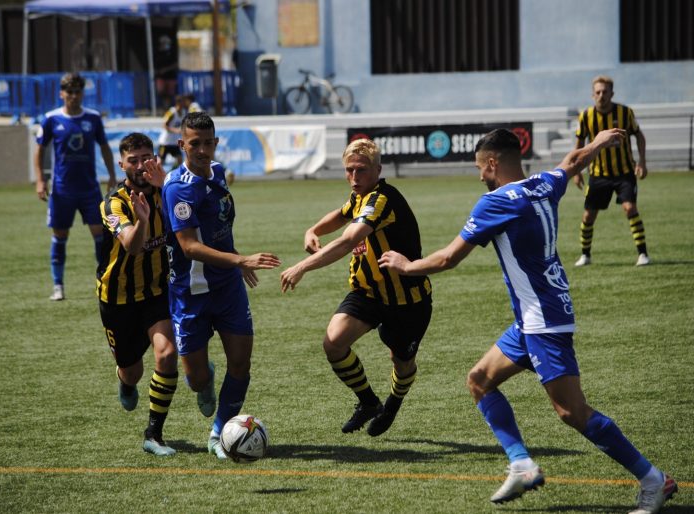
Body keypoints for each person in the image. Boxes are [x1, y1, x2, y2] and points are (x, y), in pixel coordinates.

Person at [378, 128, 677, 513]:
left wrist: (407, 266)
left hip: (543, 321)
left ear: (491, 163)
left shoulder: (495, 202)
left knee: (573, 413)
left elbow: (450, 258)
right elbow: (572, 163)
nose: (480, 177)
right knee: (480, 380)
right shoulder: (542, 184)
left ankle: (654, 480)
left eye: (480, 168)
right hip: (538, 315)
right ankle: (521, 464)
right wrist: (599, 142)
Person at [147, 111, 280, 460]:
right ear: (181, 145)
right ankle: (204, 382)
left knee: (241, 365)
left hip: (227, 290)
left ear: (216, 142)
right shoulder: (177, 187)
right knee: (198, 379)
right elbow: (189, 246)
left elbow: (217, 224)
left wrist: (233, 258)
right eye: (195, 144)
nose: (203, 150)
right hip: (190, 295)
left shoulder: (218, 172)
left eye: (209, 143)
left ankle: (220, 432)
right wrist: (241, 260)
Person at [281, 138, 432, 437]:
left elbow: (349, 240)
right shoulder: (360, 196)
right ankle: (368, 402)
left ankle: (392, 403)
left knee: (402, 364)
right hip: (368, 293)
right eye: (349, 170)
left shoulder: (381, 199)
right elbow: (341, 214)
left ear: (378, 169)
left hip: (407, 300)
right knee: (333, 342)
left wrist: (301, 266)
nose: (354, 177)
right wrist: (313, 229)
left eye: (361, 170)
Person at [97, 133, 178, 457]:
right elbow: (131, 244)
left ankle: (154, 434)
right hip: (117, 298)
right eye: (133, 160)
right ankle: (126, 381)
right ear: (122, 164)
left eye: (147, 158)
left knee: (167, 353)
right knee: (132, 371)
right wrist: (143, 221)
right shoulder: (113, 203)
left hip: (157, 291)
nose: (141, 165)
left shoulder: (168, 191)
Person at [35, 72, 117, 301]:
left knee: (101, 235)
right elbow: (40, 150)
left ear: (82, 93)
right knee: (60, 234)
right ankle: (58, 286)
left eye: (77, 91)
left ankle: (105, 281)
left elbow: (104, 147)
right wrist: (41, 179)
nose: (73, 96)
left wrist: (111, 175)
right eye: (69, 92)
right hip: (62, 190)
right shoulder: (51, 119)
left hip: (90, 189)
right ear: (62, 94)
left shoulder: (92, 118)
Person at [573, 75, 650, 267]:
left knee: (629, 208)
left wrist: (642, 161)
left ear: (611, 93)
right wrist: (576, 171)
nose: (601, 95)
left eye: (605, 92)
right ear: (593, 95)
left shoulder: (625, 113)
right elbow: (579, 144)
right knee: (588, 215)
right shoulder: (585, 116)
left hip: (624, 172)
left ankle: (643, 254)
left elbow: (639, 136)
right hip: (598, 174)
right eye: (598, 92)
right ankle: (585, 255)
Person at [158, 94, 200, 169]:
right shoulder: (172, 112)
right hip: (165, 142)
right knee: (161, 162)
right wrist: (175, 130)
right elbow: (164, 125)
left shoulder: (183, 112)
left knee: (180, 159)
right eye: (183, 102)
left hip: (174, 142)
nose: (184, 104)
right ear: (178, 103)